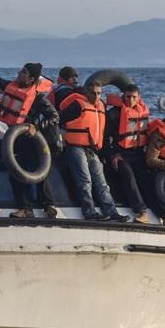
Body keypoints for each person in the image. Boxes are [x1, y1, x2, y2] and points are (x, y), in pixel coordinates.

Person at [0, 46, 59, 219]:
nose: (20, 73)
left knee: (40, 171)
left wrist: (37, 126)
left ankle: (48, 205)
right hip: (14, 138)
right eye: (21, 70)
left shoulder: (37, 98)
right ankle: (24, 208)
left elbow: (54, 116)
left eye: (24, 72)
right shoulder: (10, 86)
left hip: (32, 138)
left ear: (31, 79)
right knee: (16, 173)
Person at [57, 79, 127, 222]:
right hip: (76, 147)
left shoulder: (101, 107)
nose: (96, 96)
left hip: (93, 149)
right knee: (84, 181)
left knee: (101, 183)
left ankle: (111, 211)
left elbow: (103, 132)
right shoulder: (78, 105)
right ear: (86, 92)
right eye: (93, 93)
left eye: (99, 93)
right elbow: (59, 119)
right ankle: (89, 211)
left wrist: (107, 153)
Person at [104, 84, 153, 223]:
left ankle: (163, 213)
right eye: (128, 97)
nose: (131, 100)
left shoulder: (142, 112)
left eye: (134, 97)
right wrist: (113, 154)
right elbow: (105, 138)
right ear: (123, 97)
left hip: (138, 153)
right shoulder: (114, 114)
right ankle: (141, 211)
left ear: (139, 98)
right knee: (128, 176)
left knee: (145, 179)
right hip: (122, 154)